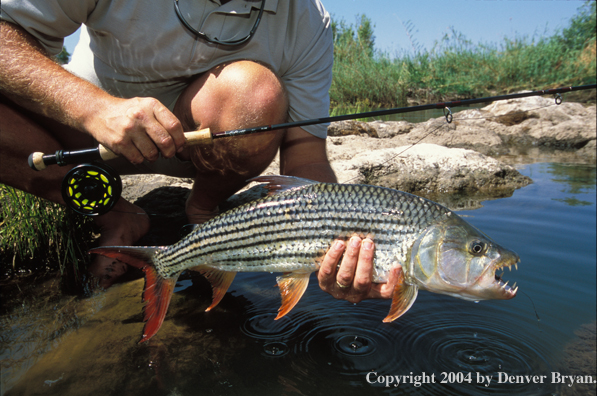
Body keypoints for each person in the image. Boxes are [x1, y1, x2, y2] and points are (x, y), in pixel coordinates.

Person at [0, 0, 399, 301]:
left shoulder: (308, 19)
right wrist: (93, 108)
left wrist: (336, 243)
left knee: (253, 93)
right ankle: (117, 216)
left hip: (212, 149)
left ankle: (202, 215)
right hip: (83, 137)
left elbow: (306, 157)